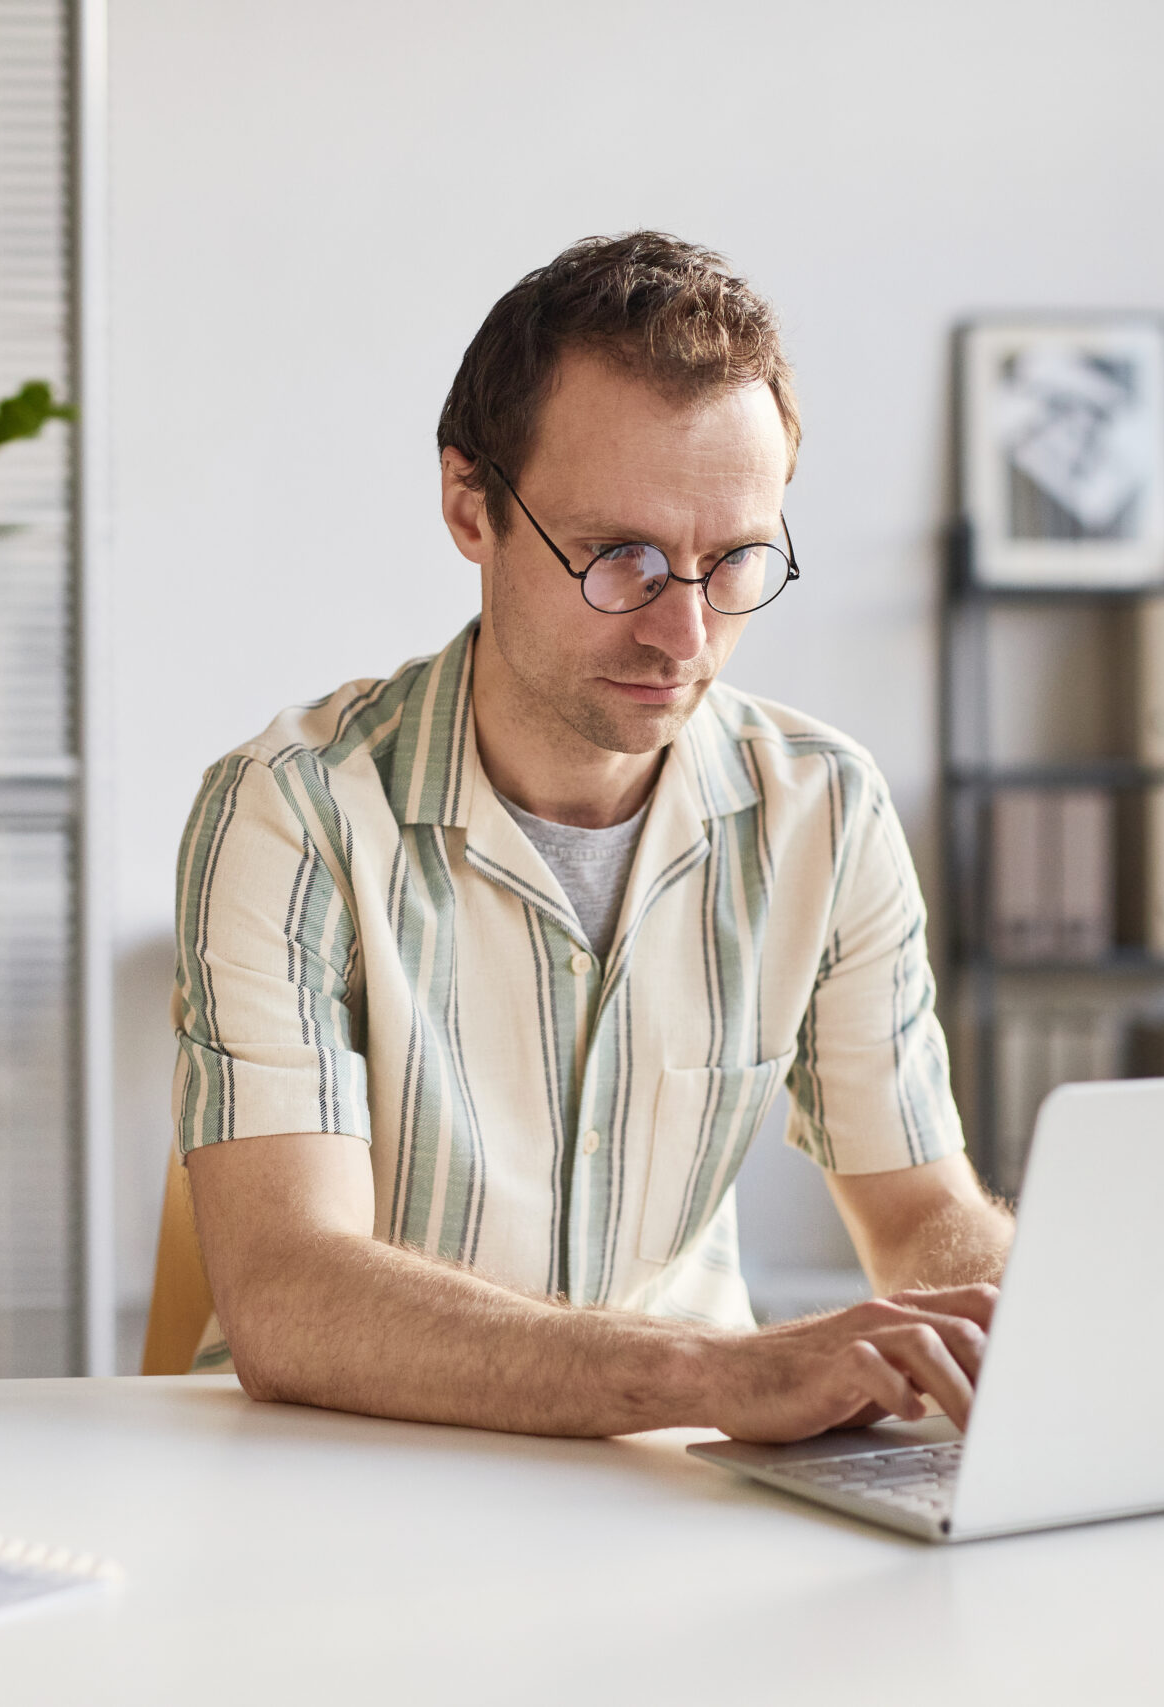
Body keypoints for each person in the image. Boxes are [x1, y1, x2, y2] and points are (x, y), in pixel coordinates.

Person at [172, 232, 1014, 1441]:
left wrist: (1012, 1322)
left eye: (733, 563)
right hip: (351, 1478)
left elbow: (919, 1208)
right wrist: (712, 1378)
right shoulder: (291, 810)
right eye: (619, 559)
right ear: (471, 503)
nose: (682, 637)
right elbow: (289, 1292)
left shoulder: (823, 810)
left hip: (676, 1487)